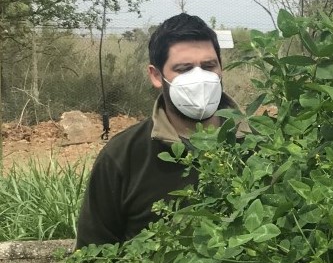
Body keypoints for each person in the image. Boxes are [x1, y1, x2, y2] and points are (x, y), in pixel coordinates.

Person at [75, 13, 237, 249]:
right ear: (156, 76)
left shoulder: (259, 143)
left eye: (209, 65)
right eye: (184, 69)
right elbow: (93, 257)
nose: (200, 78)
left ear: (221, 68)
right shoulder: (123, 156)